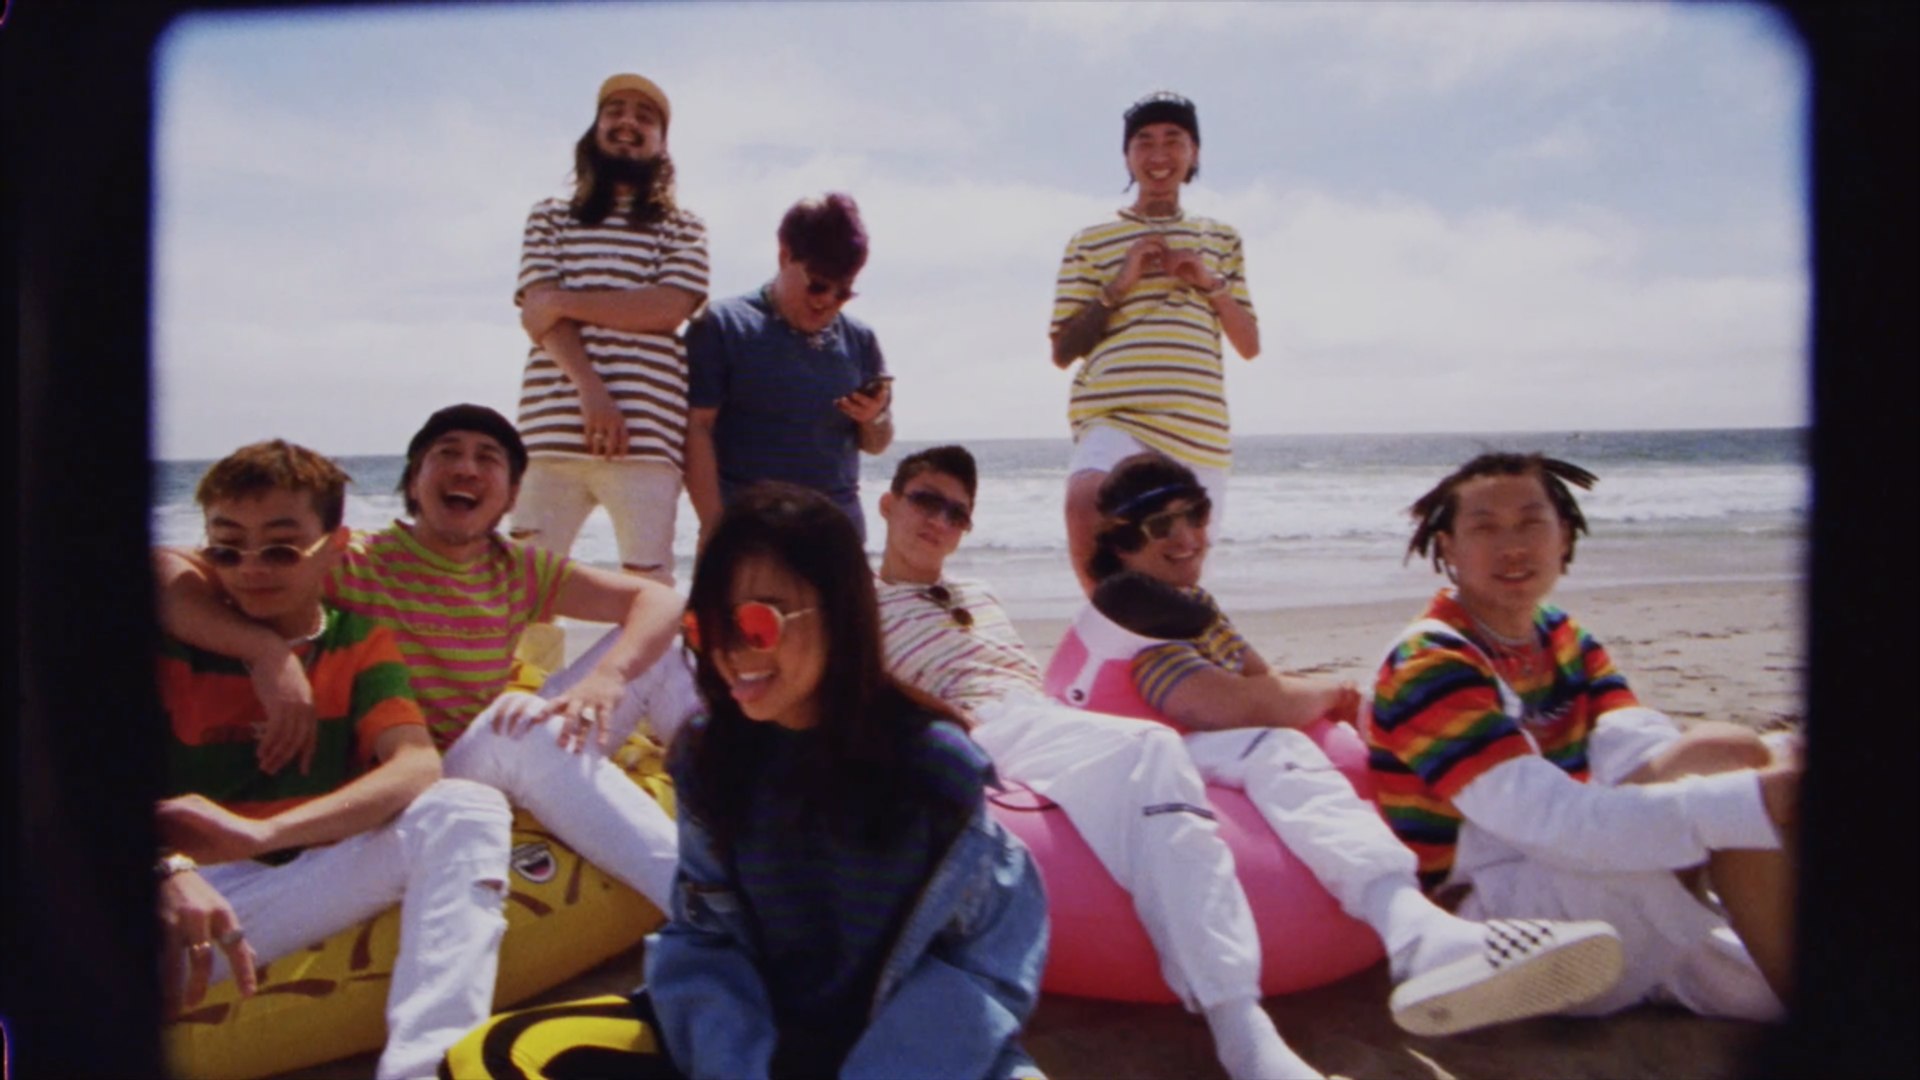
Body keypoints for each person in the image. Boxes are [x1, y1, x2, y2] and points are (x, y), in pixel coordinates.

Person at [874, 446, 1624, 1080]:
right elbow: (854, 689)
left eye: (957, 512)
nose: (940, 520)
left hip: (1051, 717)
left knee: (1280, 747)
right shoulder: (861, 601)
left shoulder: (978, 591)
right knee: (1149, 748)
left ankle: (1415, 929)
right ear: (888, 503)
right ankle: (1243, 1033)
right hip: (988, 730)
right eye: (926, 501)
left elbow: (1237, 691)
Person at [443, 483, 1047, 1080]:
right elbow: (702, 939)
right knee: (490, 1059)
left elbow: (984, 969)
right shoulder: (711, 757)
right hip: (748, 1035)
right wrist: (741, 1066)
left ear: (841, 614)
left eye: (757, 624)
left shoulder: (935, 768)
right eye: (708, 627)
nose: (732, 652)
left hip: (915, 1055)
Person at [154, 404, 699, 910]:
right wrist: (266, 652)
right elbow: (162, 570)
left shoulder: (520, 569)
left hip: (492, 755)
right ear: (413, 482)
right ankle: (697, 904)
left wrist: (607, 677)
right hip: (419, 784)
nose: (466, 468)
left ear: (512, 494)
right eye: (447, 453)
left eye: (488, 458)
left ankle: (728, 813)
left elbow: (659, 600)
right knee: (524, 726)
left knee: (669, 649)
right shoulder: (352, 560)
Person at [1368, 452, 1801, 1019]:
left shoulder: (1562, 636)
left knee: (1738, 758)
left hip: (1574, 868)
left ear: (1564, 536)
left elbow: (1639, 747)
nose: (1512, 547)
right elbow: (1551, 822)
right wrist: (1747, 801)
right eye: (1485, 528)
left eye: (1531, 523)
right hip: (1488, 908)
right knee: (1740, 783)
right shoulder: (1430, 663)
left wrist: (1758, 783)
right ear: (1448, 548)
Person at [155, 440, 512, 1079]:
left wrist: (265, 833)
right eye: (227, 548)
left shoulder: (357, 640)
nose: (251, 568)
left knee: (465, 806)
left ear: (337, 547)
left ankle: (422, 1068)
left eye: (281, 548)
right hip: (182, 895)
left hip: (292, 879)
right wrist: (167, 868)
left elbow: (414, 764)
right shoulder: (173, 644)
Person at [1050, 90, 1260, 595]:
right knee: (1085, 505)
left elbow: (1249, 343)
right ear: (1127, 156)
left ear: (1194, 153)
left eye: (1173, 140)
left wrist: (1209, 283)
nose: (1158, 154)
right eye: (1143, 141)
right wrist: (1118, 285)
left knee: (1180, 570)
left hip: (1196, 428)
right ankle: (1107, 622)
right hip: (1115, 414)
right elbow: (1062, 350)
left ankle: (1162, 639)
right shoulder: (1089, 240)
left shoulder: (1221, 238)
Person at [511, 72, 709, 583]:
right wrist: (591, 390)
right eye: (615, 111)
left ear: (662, 143)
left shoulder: (682, 226)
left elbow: (668, 308)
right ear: (594, 128)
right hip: (548, 433)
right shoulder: (549, 217)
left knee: (648, 586)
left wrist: (561, 301)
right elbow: (537, 316)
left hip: (648, 437)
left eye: (645, 117)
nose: (627, 122)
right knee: (524, 588)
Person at [684, 192, 894, 545]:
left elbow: (877, 443)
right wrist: (714, 529)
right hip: (752, 536)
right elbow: (696, 429)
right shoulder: (722, 325)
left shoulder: (860, 339)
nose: (827, 302)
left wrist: (873, 418)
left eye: (843, 293)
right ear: (784, 256)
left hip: (838, 541)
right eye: (818, 285)